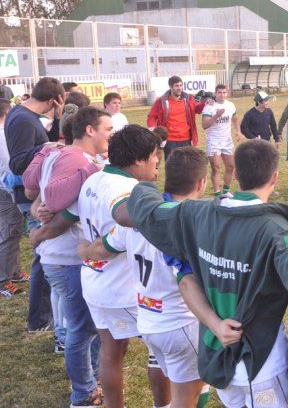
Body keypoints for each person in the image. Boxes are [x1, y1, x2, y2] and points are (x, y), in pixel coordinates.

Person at [124, 138, 288, 408]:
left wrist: (144, 185)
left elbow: (149, 211)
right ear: (275, 177)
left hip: (218, 353)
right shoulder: (276, 230)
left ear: (236, 174)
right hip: (261, 362)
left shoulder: (197, 213)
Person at [32, 125, 170, 408]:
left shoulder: (93, 180)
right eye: (155, 156)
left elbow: (66, 218)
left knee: (111, 352)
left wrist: (40, 234)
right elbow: (124, 213)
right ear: (139, 159)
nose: (158, 162)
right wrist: (158, 210)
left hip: (96, 282)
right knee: (163, 352)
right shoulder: (128, 189)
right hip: (125, 289)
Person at [78, 147, 212, 408]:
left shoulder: (137, 217)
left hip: (149, 320)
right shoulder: (192, 224)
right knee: (192, 392)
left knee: (171, 377)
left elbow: (103, 247)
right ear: (201, 183)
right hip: (180, 322)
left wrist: (83, 250)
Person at [23, 106, 109, 407]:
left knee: (84, 325)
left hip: (59, 255)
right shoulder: (77, 159)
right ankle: (83, 394)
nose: (110, 135)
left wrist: (39, 212)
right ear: (90, 130)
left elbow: (34, 191)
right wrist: (42, 225)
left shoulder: (57, 153)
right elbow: (55, 201)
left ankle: (92, 379)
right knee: (82, 329)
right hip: (67, 257)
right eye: (107, 129)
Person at [5, 77, 64, 331]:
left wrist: (57, 121)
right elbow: (18, 162)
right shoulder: (23, 119)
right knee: (44, 257)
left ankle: (42, 317)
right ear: (53, 100)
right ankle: (39, 320)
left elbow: (39, 143)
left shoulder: (25, 115)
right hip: (28, 195)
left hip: (32, 192)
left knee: (45, 255)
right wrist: (48, 148)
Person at [147, 75, 205, 161]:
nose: (179, 88)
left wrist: (205, 102)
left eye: (181, 85)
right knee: (172, 166)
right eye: (176, 86)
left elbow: (198, 109)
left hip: (186, 139)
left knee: (187, 165)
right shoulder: (161, 101)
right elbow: (151, 117)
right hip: (170, 140)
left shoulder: (188, 99)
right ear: (171, 87)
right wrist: (153, 131)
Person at [0, 98, 25, 298]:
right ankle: (3, 280)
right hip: (5, 190)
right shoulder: (2, 135)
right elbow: (8, 166)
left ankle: (13, 271)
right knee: (9, 232)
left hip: (6, 188)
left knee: (14, 231)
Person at [202, 84, 241, 198]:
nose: (222, 95)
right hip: (214, 141)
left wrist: (238, 131)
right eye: (219, 92)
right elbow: (204, 125)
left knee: (231, 166)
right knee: (216, 167)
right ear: (215, 93)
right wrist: (216, 116)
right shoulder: (209, 106)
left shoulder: (230, 105)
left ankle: (226, 191)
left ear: (227, 93)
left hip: (227, 140)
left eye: (224, 92)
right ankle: (217, 194)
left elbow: (235, 119)